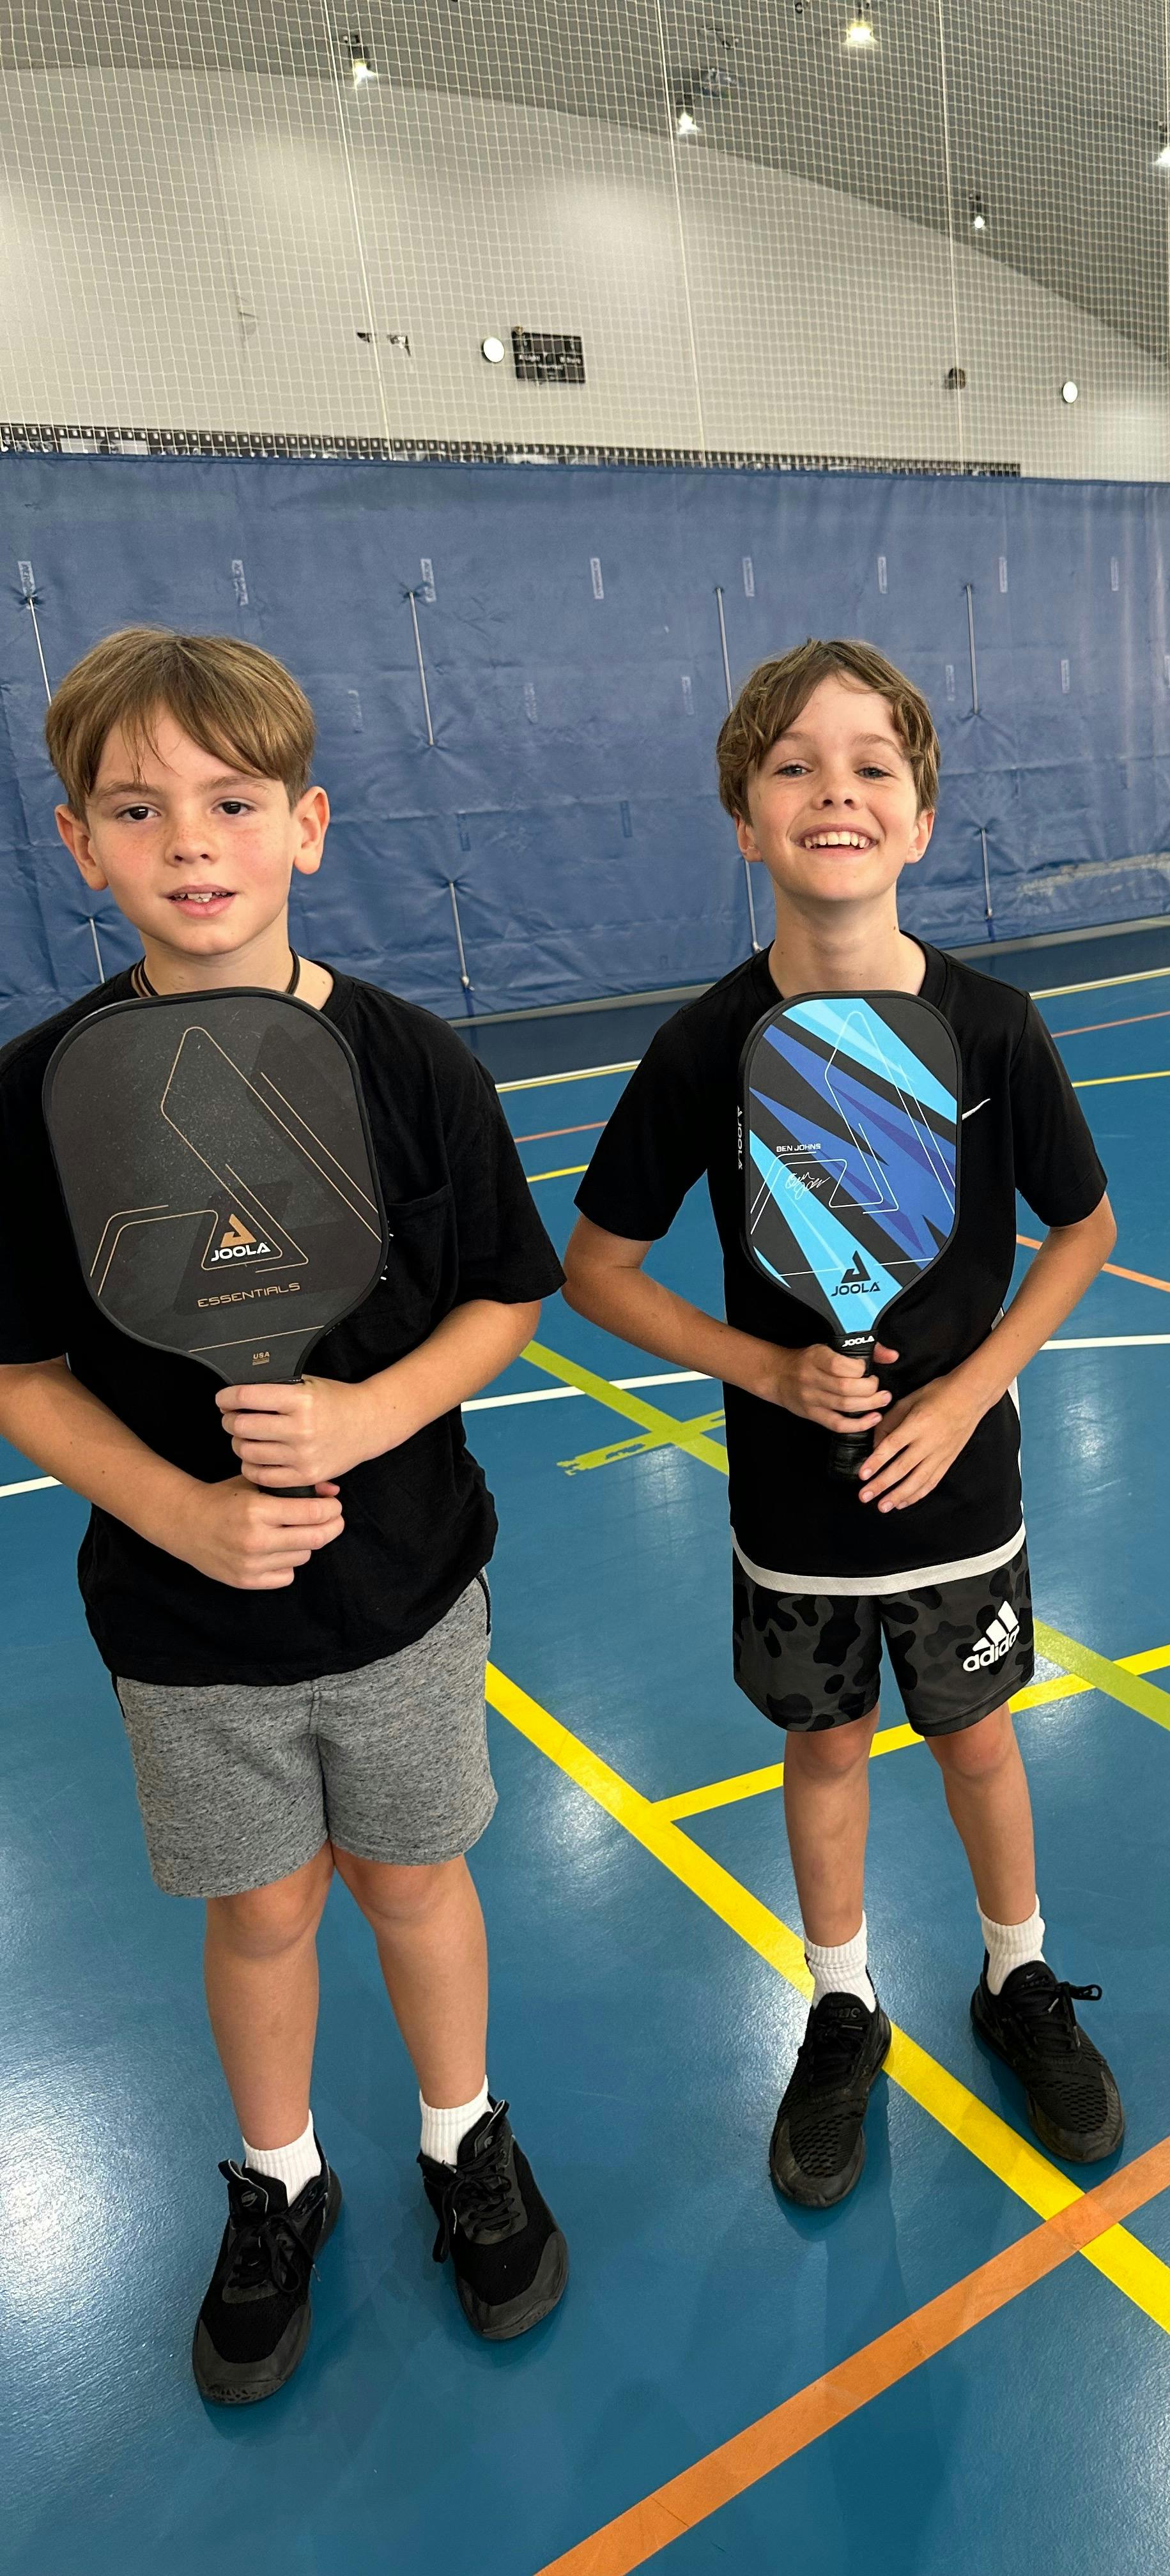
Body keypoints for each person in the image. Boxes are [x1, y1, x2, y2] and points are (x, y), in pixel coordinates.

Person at [0, 629, 569, 2403]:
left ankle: (461, 2136)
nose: (191, 841)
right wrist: (181, 1507)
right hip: (190, 1628)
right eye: (137, 806)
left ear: (307, 827)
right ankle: (280, 2178)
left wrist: (368, 1411)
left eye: (235, 801)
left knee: (414, 1879)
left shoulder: (411, 1066)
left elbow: (504, 1293)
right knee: (259, 1915)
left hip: (404, 1596)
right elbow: (20, 1373)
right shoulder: (38, 1096)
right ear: (81, 845)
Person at [564, 636, 1126, 2207]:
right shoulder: (702, 1050)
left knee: (979, 1742)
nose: (836, 791)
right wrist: (765, 1373)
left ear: (923, 817)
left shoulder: (995, 1030)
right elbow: (597, 1269)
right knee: (825, 1752)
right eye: (796, 766)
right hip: (792, 1512)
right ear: (747, 820)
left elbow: (1082, 1229)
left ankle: (1016, 1977)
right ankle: (839, 2004)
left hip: (965, 1496)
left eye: (874, 764)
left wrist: (972, 1385)